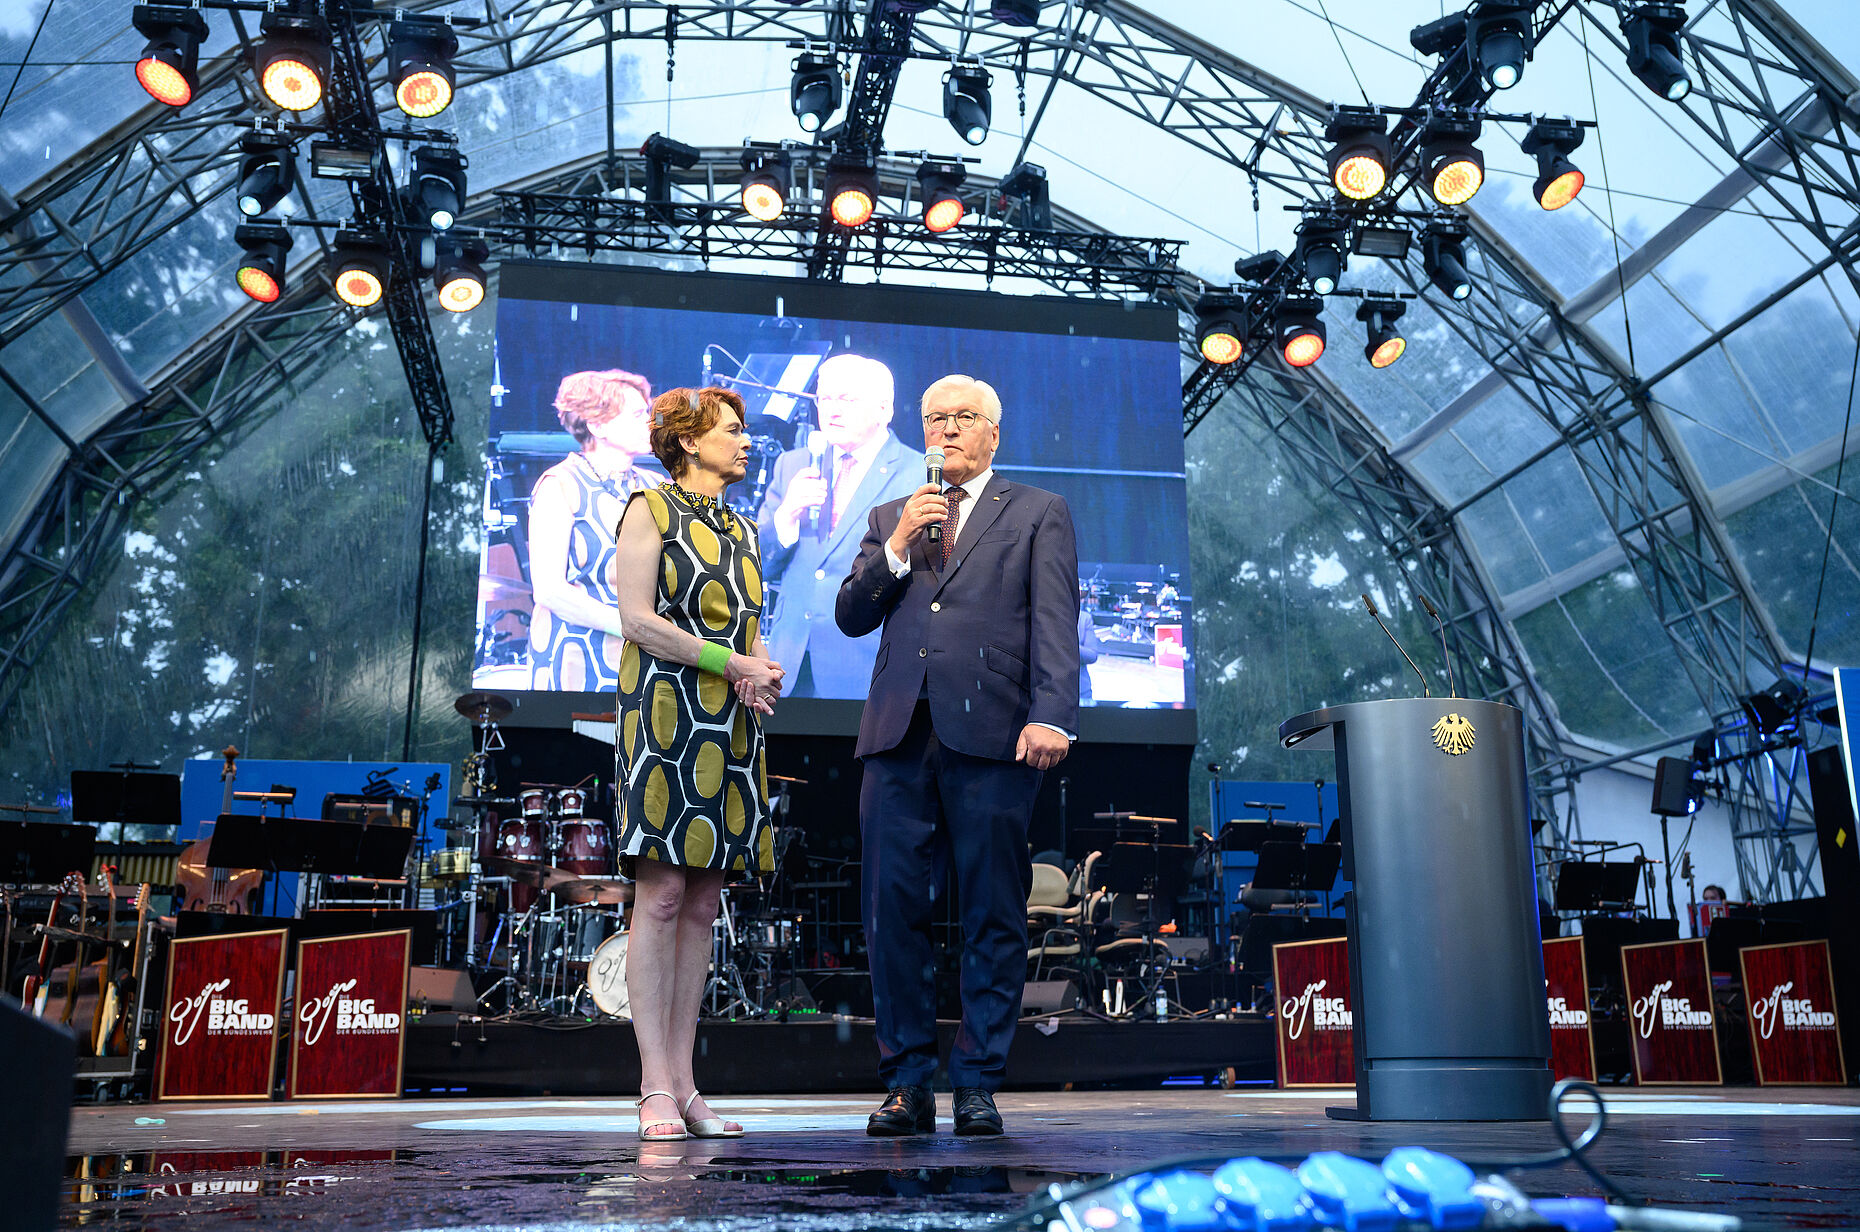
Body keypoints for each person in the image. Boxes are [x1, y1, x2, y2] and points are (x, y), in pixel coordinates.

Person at [835, 373, 1080, 1137]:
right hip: (898, 737)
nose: (946, 430)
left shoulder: (1038, 511)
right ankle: (907, 1083)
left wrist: (1053, 715)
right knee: (891, 913)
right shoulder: (887, 515)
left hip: (998, 734)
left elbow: (1055, 620)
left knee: (992, 912)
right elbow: (849, 616)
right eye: (935, 418)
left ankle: (977, 1081)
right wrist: (901, 544)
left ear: (993, 433)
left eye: (963, 418)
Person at [611, 386, 786, 1141]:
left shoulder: (742, 527)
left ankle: (685, 1086)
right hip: (664, 711)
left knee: (706, 903)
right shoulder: (648, 509)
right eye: (732, 431)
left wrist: (758, 672)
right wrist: (733, 660)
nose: (745, 442)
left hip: (729, 723)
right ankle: (652, 1088)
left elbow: (749, 625)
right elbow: (638, 620)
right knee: (661, 896)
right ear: (688, 443)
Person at [756, 354, 922, 697]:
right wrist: (786, 516)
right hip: (787, 663)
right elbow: (758, 563)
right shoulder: (793, 464)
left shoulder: (916, 474)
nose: (831, 410)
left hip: (867, 659)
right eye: (824, 398)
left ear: (884, 409)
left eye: (846, 399)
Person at [528, 369, 657, 690]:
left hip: (646, 660)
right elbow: (549, 590)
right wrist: (633, 627)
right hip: (576, 659)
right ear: (598, 426)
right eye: (638, 414)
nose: (651, 422)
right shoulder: (559, 484)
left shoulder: (656, 486)